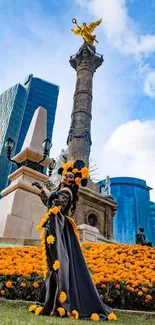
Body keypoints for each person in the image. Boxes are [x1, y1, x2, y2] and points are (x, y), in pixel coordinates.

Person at [31, 160, 114, 321]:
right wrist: (42, 189)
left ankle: (62, 301)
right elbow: (50, 204)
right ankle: (54, 300)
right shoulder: (61, 190)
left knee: (60, 262)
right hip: (54, 227)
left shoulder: (67, 192)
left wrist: (49, 192)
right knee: (53, 263)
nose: (64, 177)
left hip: (59, 229)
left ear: (72, 181)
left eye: (69, 176)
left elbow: (57, 206)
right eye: (65, 175)